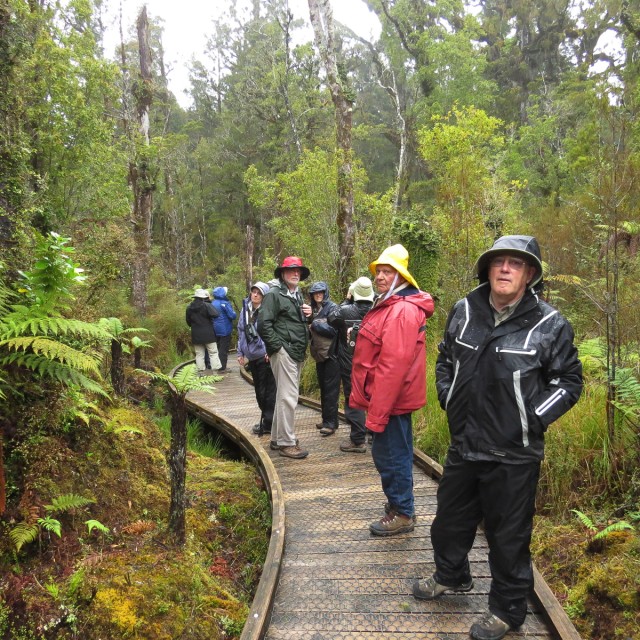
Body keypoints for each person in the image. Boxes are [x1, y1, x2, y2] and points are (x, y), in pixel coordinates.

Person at [412, 235, 583, 640]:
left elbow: (569, 382)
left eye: (516, 264)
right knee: (449, 522)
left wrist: (532, 420)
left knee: (508, 537)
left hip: (514, 453)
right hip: (465, 443)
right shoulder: (464, 311)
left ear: (530, 275)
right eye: (499, 262)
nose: (505, 269)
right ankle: (451, 576)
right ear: (487, 269)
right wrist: (447, 396)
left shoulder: (549, 323)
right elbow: (445, 358)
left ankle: (507, 610)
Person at [350, 245, 435, 535]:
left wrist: (377, 412)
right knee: (391, 452)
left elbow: (392, 367)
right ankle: (398, 504)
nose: (380, 277)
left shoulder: (400, 311)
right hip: (386, 398)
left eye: (388, 272)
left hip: (391, 400)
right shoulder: (390, 305)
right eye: (379, 272)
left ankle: (403, 513)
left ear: (401, 277)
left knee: (392, 455)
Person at [258, 256, 312, 459]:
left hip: (295, 350)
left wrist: (310, 315)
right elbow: (264, 324)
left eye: (298, 270)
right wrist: (278, 348)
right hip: (285, 351)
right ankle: (287, 442)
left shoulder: (296, 295)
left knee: (284, 394)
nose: (295, 273)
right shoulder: (274, 295)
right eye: (291, 270)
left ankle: (277, 437)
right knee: (289, 397)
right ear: (282, 273)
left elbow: (293, 323)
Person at [327, 276, 374, 452]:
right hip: (374, 363)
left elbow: (332, 317)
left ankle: (357, 439)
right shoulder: (378, 309)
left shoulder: (346, 311)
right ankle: (375, 437)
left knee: (353, 399)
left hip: (350, 362)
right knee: (375, 397)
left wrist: (347, 298)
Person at [237, 282, 276, 436]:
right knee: (259, 390)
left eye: (259, 293)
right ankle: (268, 420)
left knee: (267, 391)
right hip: (252, 357)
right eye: (253, 292)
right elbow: (241, 331)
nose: (255, 295)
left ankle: (268, 423)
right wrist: (240, 352)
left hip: (264, 356)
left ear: (264, 296)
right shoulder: (245, 310)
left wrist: (269, 350)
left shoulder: (267, 311)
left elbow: (272, 331)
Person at [308, 281, 341, 437]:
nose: (318, 295)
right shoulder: (314, 309)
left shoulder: (333, 308)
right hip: (320, 355)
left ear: (325, 292)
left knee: (331, 390)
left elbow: (335, 330)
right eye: (315, 293)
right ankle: (328, 419)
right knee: (324, 387)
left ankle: (330, 424)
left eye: (320, 292)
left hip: (332, 354)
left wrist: (315, 323)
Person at [186, 288, 221, 374]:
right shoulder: (206, 305)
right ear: (203, 297)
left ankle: (201, 374)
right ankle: (215, 373)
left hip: (196, 334)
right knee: (213, 353)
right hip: (208, 334)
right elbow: (216, 314)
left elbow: (188, 321)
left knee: (199, 354)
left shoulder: (189, 307)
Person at [210, 286, 237, 373]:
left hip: (215, 328)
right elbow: (232, 316)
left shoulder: (213, 303)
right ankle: (222, 367)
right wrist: (234, 313)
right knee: (223, 348)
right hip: (225, 329)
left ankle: (216, 365)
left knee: (217, 347)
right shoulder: (224, 303)